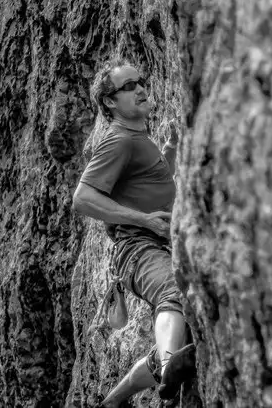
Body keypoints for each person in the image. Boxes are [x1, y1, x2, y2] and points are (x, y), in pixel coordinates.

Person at [72, 60, 196, 406]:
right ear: (110, 102)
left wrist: (168, 155)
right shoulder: (119, 141)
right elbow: (83, 199)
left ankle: (113, 400)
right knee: (175, 290)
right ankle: (172, 366)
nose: (140, 89)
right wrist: (142, 220)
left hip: (154, 241)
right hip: (138, 247)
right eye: (128, 86)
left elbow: (147, 186)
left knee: (180, 328)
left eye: (140, 82)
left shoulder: (139, 138)